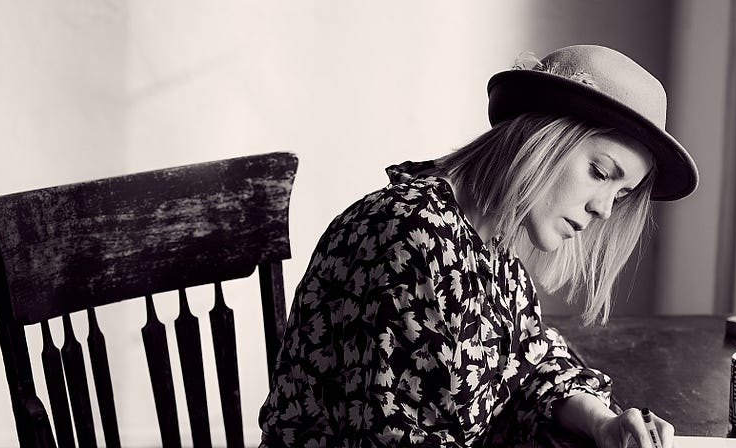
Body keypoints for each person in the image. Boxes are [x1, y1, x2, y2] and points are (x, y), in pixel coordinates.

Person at [258, 45, 698, 447]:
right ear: (541, 137)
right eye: (601, 173)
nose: (604, 209)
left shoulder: (492, 248)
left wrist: (604, 422)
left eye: (620, 195)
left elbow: (531, 364)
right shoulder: (410, 236)